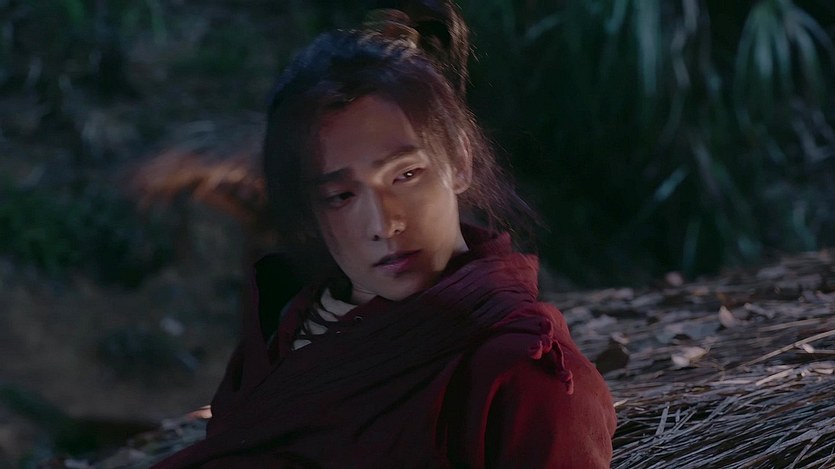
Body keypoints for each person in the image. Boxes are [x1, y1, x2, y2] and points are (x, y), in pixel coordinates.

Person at [154, 1, 616, 467]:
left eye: (406, 175)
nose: (382, 224)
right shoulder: (288, 314)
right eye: (340, 195)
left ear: (459, 158)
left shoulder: (523, 374)